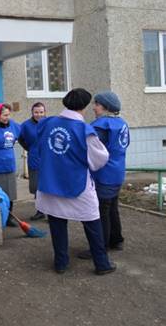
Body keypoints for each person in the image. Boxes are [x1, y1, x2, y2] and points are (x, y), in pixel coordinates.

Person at [36, 88, 116, 275]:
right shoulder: (84, 129)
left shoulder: (47, 123)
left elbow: (38, 146)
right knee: (92, 221)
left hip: (50, 182)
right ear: (85, 106)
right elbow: (100, 158)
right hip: (76, 184)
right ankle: (102, 263)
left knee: (57, 222)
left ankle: (61, 263)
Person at [78, 91, 129, 260]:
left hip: (104, 174)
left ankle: (101, 247)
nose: (94, 108)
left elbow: (90, 148)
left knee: (101, 211)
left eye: (97, 104)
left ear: (106, 107)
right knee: (112, 207)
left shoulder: (101, 125)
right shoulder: (121, 123)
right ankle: (117, 240)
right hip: (118, 172)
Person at [18, 102, 46, 221]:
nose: (38, 114)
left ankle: (52, 213)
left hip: (48, 159)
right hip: (34, 158)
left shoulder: (49, 123)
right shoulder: (25, 125)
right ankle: (40, 211)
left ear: (45, 112)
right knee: (36, 187)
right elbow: (20, 138)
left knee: (49, 187)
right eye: (36, 112)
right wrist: (29, 148)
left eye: (41, 112)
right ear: (32, 112)